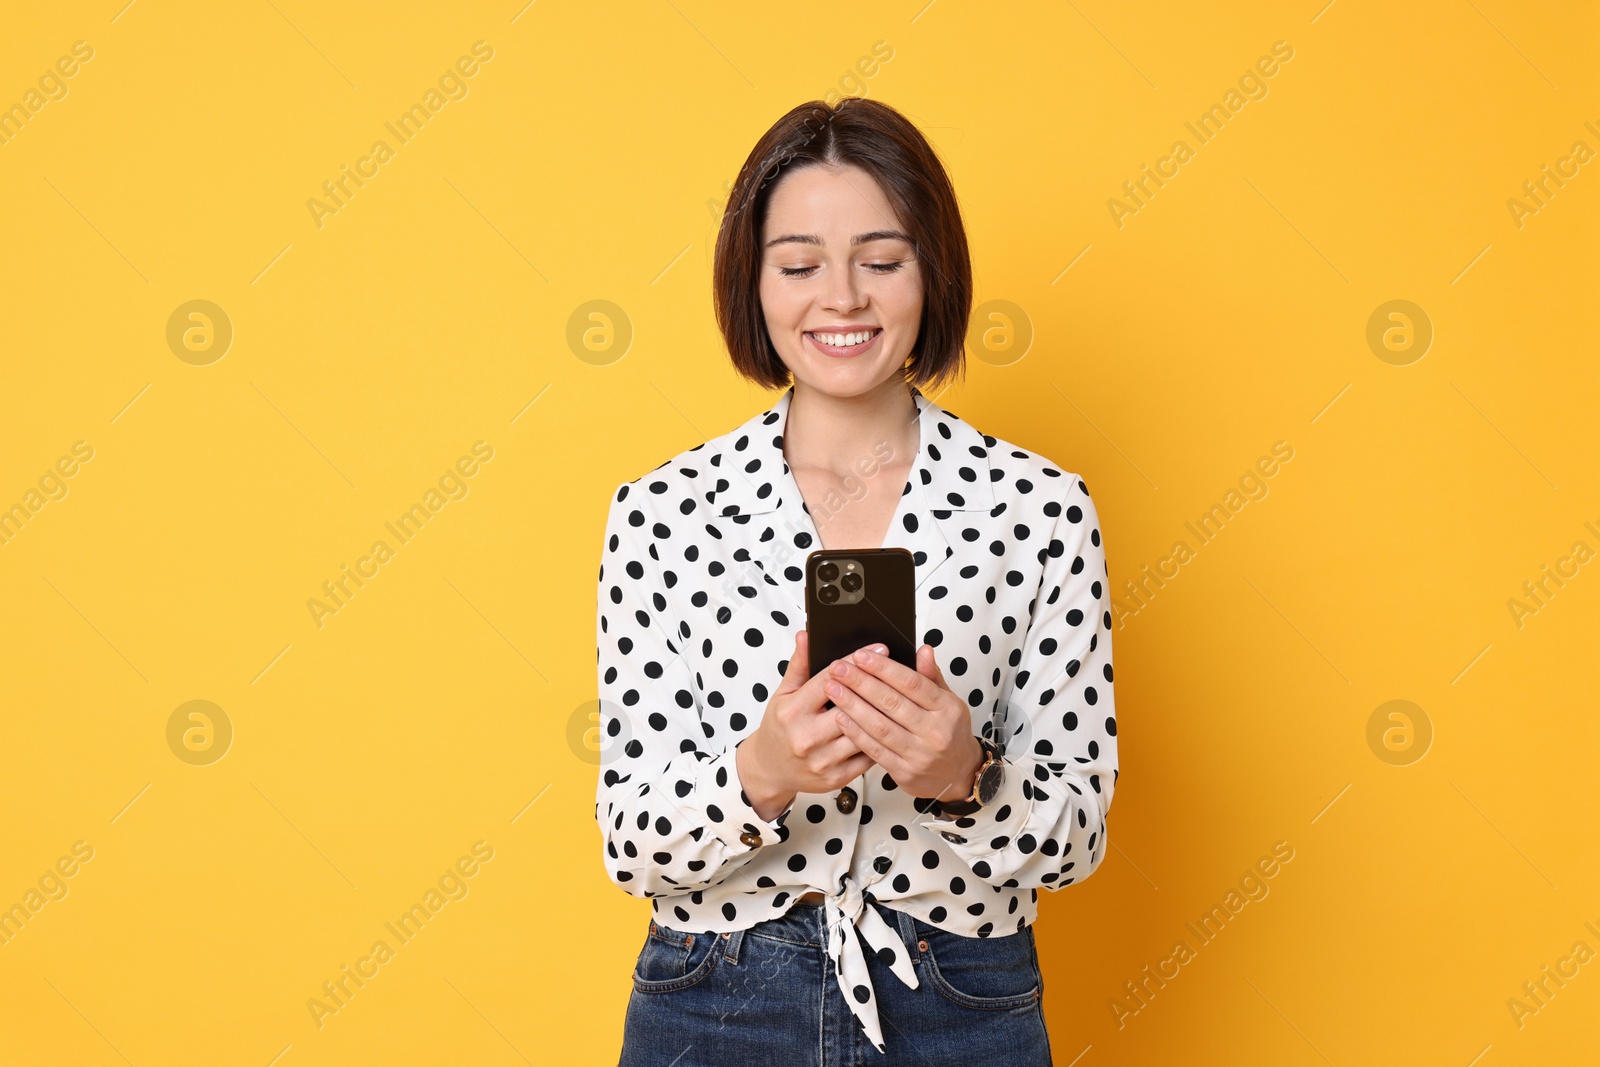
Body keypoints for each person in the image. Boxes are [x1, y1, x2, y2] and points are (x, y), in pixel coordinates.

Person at [596, 97, 1118, 1066]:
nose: (841, 297)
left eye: (881, 260)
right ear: (751, 284)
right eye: (798, 264)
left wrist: (965, 775)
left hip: (960, 992)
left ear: (934, 275)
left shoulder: (1040, 507)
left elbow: (1079, 835)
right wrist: (763, 772)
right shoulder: (662, 510)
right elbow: (630, 838)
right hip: (715, 996)